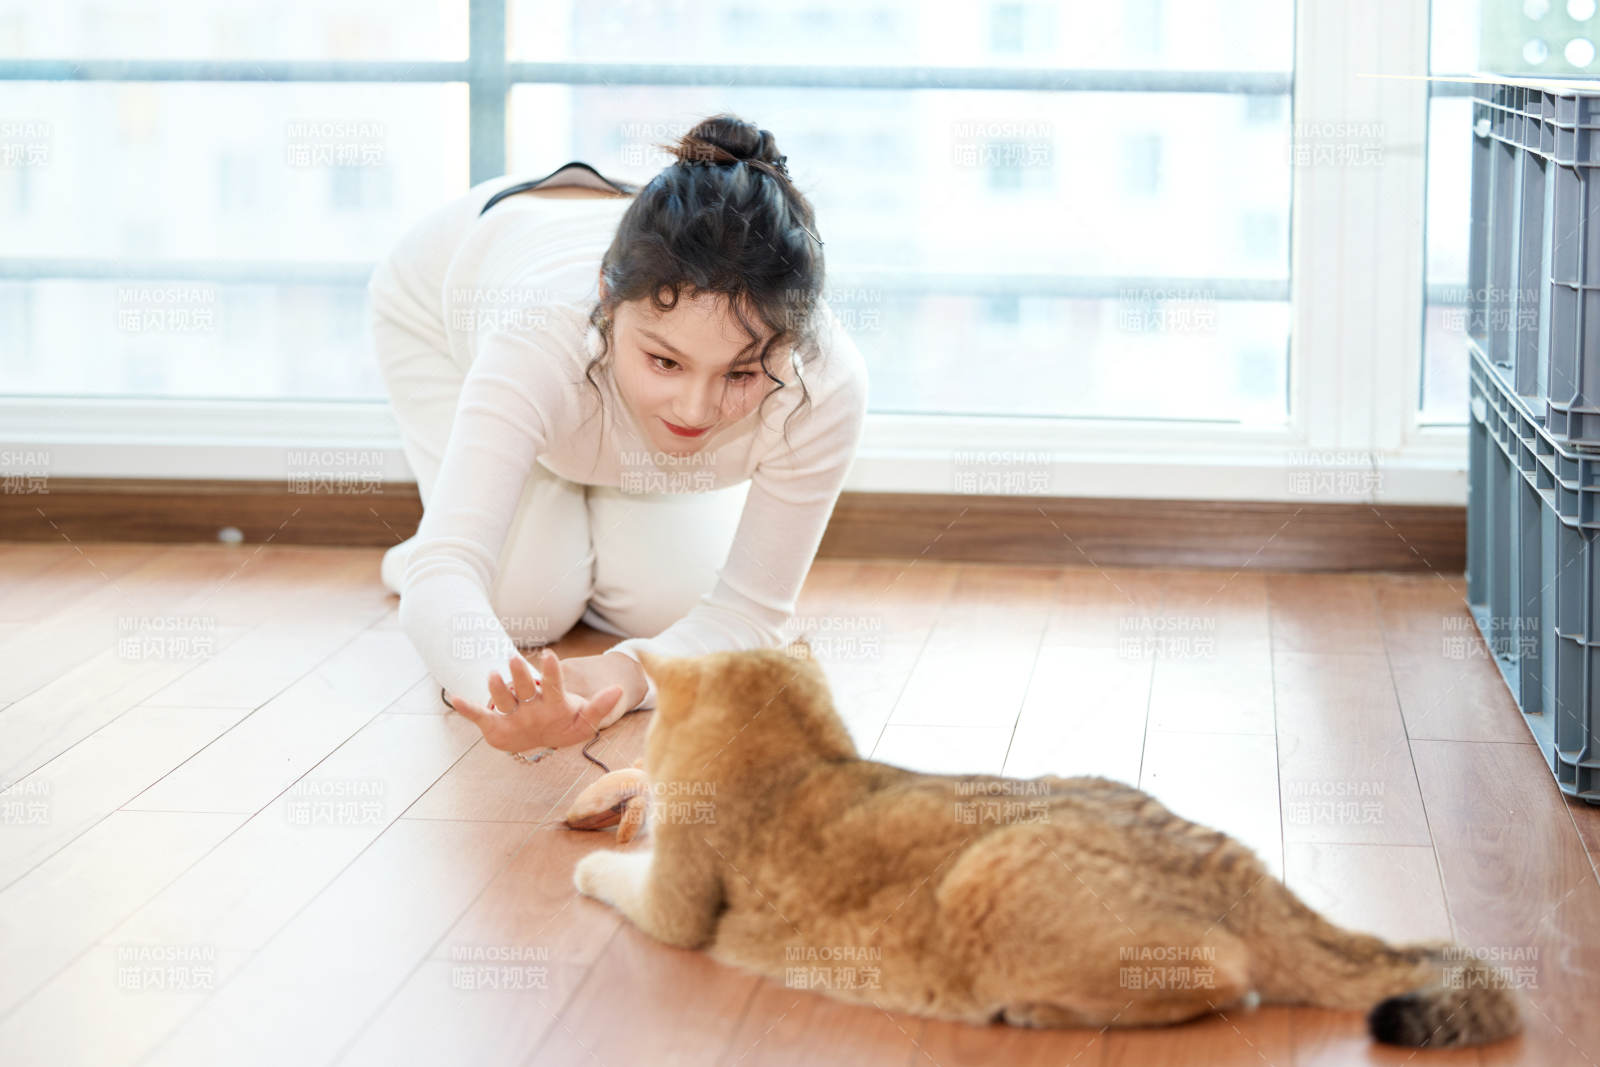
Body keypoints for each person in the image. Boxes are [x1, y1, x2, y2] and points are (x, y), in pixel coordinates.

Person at [367, 113, 869, 762]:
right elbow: (447, 573)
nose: (697, 408)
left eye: (741, 373)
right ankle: (431, 529)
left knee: (664, 609)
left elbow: (747, 617)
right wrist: (508, 697)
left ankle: (579, 497)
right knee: (527, 606)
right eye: (665, 361)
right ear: (607, 300)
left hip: (589, 393)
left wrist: (620, 676)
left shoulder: (820, 385)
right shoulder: (538, 340)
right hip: (442, 303)